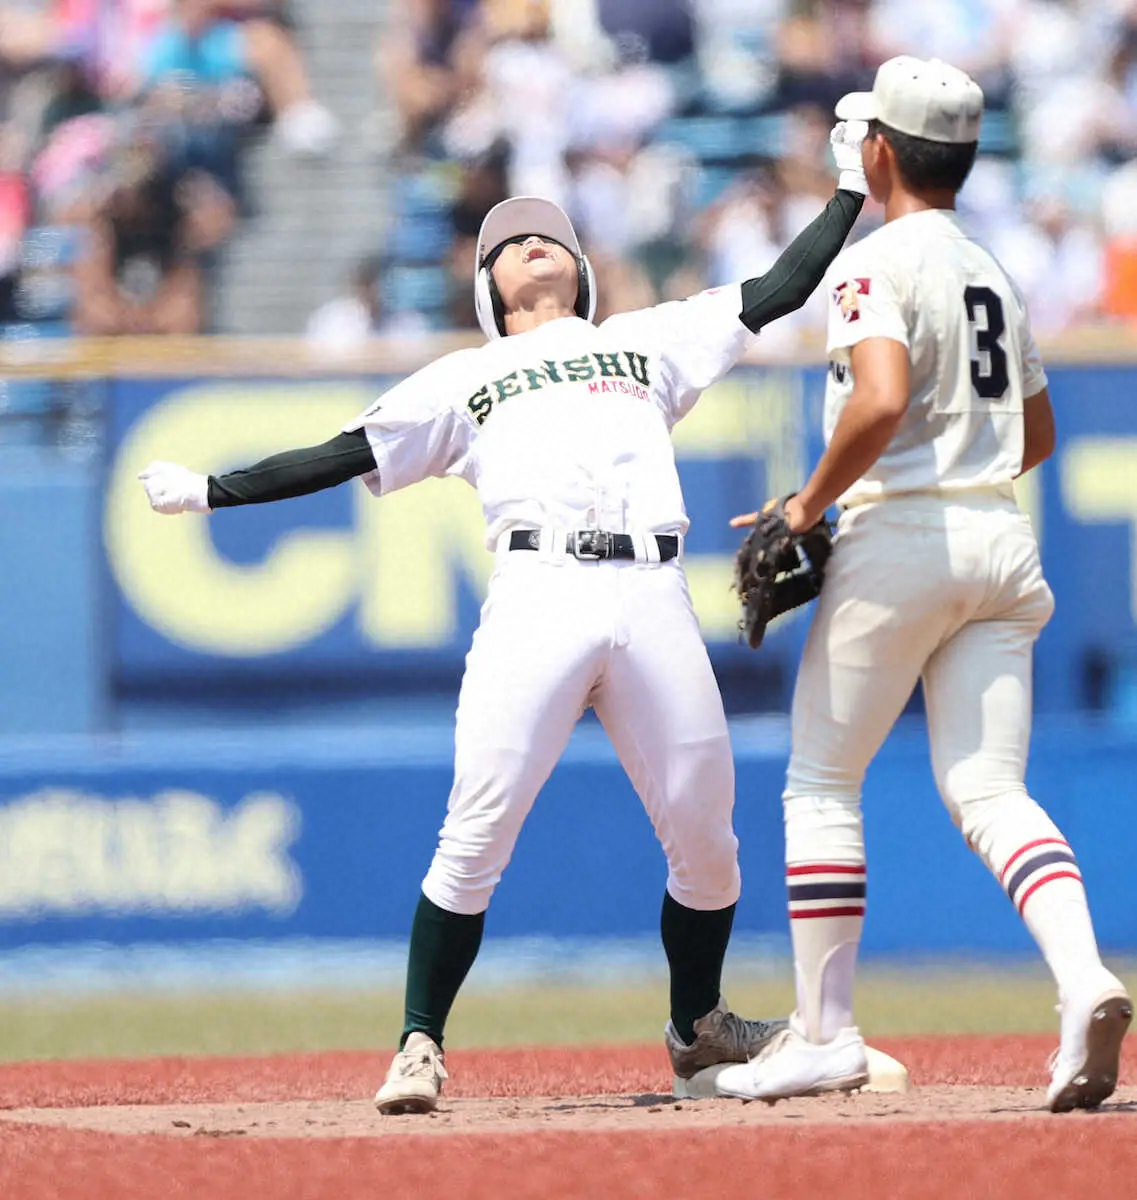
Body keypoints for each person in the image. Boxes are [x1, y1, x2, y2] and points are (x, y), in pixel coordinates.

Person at [137, 120, 870, 1114]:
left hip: (653, 592)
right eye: (509, 241)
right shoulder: (462, 378)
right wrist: (210, 492)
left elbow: (778, 292)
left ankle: (697, 1030)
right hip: (540, 594)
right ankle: (419, 1044)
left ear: (580, 268)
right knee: (476, 833)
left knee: (709, 839)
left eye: (550, 236)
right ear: (487, 288)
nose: (535, 245)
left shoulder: (644, 340)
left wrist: (846, 190)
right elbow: (339, 454)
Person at [713, 56, 1132, 1112]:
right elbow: (1034, 432)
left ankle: (826, 1034)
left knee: (819, 782)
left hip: (900, 535)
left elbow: (880, 398)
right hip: (1000, 534)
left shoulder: (871, 262)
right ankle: (1083, 979)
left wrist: (804, 507)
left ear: (881, 151)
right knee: (993, 791)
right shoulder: (991, 265)